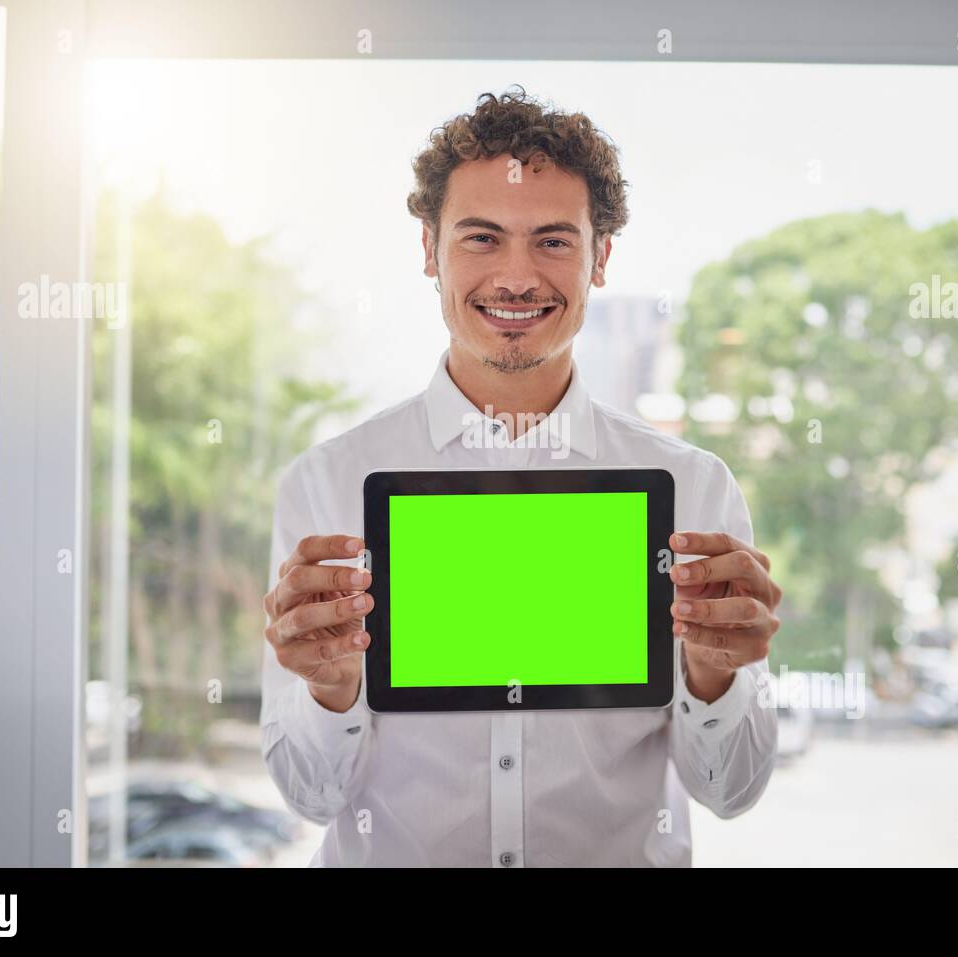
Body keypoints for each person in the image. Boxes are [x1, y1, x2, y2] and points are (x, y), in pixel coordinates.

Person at [260, 85, 782, 866]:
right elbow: (312, 797)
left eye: (552, 240)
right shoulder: (328, 485)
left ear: (600, 257)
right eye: (480, 237)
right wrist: (331, 692)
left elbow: (732, 790)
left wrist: (711, 678)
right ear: (429, 253)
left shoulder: (693, 488)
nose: (515, 276)